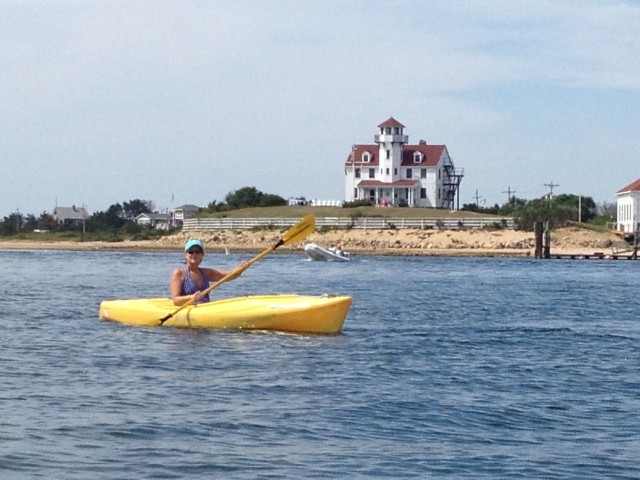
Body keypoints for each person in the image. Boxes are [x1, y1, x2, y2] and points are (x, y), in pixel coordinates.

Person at [170, 239, 248, 306]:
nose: (194, 254)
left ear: (202, 254)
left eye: (198, 252)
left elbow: (229, 276)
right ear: (186, 254)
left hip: (205, 308)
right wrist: (191, 297)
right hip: (188, 309)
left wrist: (241, 268)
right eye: (191, 251)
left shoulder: (206, 273)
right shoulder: (179, 273)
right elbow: (176, 300)